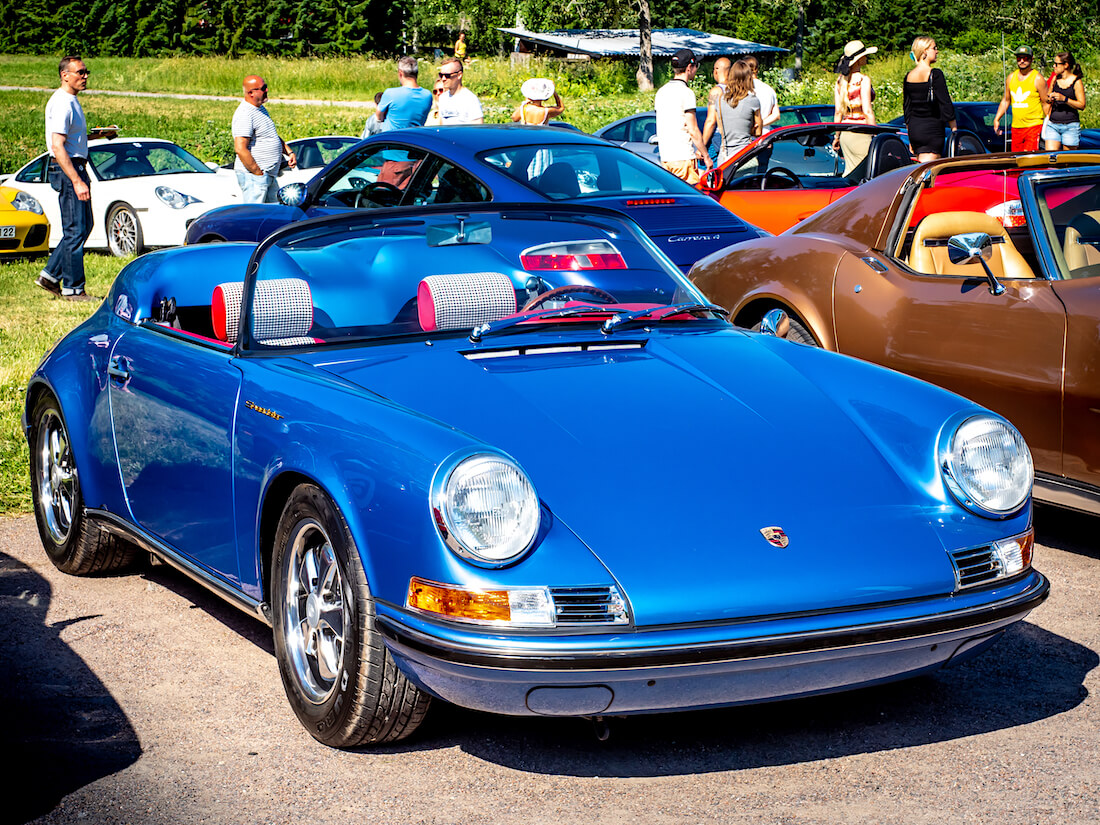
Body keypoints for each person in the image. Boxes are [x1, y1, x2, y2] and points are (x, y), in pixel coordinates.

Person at [36, 55, 96, 300]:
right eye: (80, 72)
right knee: (74, 230)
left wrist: (95, 136)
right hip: (68, 169)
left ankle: (50, 275)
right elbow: (58, 146)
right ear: (65, 75)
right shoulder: (62, 103)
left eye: (85, 71)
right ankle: (73, 288)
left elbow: (69, 140)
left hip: (76, 166)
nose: (85, 76)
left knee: (84, 226)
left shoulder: (71, 100)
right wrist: (76, 180)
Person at [232, 75, 296, 203]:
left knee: (271, 213)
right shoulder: (245, 113)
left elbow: (270, 135)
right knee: (255, 216)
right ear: (251, 93)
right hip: (254, 176)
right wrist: (257, 173)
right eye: (263, 88)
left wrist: (289, 152)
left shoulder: (260, 109)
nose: (267, 90)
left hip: (267, 174)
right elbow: (240, 148)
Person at [654, 48, 712, 184]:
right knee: (690, 200)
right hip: (683, 157)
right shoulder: (686, 93)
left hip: (666, 158)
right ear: (689, 67)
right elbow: (692, 129)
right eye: (696, 66)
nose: (696, 70)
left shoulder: (661, 92)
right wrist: (706, 156)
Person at [903, 36, 957, 162]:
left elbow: (907, 108)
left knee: (920, 166)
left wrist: (910, 135)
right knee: (930, 169)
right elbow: (945, 104)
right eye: (934, 48)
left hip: (915, 129)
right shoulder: (935, 74)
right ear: (925, 51)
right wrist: (955, 130)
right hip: (932, 129)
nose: (937, 51)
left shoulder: (909, 76)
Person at [832, 39, 878, 176]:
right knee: (865, 173)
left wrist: (837, 136)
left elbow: (838, 112)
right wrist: (876, 133)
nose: (866, 57)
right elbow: (867, 111)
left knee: (849, 171)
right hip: (862, 130)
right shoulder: (863, 80)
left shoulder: (840, 81)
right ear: (858, 60)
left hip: (845, 132)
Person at [993, 46, 1049, 152]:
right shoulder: (1011, 77)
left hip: (1033, 126)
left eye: (1025, 58)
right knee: (1017, 158)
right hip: (1016, 127)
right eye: (1019, 58)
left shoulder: (1037, 78)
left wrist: (1049, 122)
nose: (1022, 61)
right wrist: (997, 118)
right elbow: (1006, 100)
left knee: (1030, 158)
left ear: (1031, 59)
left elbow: (1045, 102)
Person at [708, 60, 761, 163]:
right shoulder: (753, 100)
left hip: (725, 157)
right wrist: (750, 129)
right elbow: (758, 132)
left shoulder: (720, 100)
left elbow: (721, 129)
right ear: (748, 78)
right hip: (745, 156)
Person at [374, 56, 433, 133]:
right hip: (414, 139)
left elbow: (378, 117)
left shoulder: (390, 93)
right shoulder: (427, 95)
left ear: (400, 73)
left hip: (391, 139)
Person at [1043, 51, 1086, 150]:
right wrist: (1050, 98)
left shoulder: (1076, 82)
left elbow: (1082, 105)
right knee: (1051, 157)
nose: (1054, 66)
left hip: (1070, 126)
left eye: (1056, 64)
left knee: (1068, 159)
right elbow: (1047, 97)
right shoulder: (1055, 79)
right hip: (1053, 124)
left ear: (1065, 65)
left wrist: (1065, 99)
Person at [701, 56, 732, 159]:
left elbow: (711, 120)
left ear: (716, 71)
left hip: (717, 138)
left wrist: (702, 146)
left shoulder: (716, 91)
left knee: (705, 170)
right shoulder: (737, 90)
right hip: (733, 137)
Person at [437, 59, 483, 124]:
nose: (443, 79)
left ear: (459, 75)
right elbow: (441, 125)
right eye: (441, 75)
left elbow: (477, 128)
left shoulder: (470, 99)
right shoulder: (442, 98)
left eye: (447, 75)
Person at [745, 55, 779, 132]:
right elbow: (776, 115)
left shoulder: (744, 89)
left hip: (748, 135)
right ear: (757, 69)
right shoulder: (769, 89)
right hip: (765, 135)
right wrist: (760, 123)